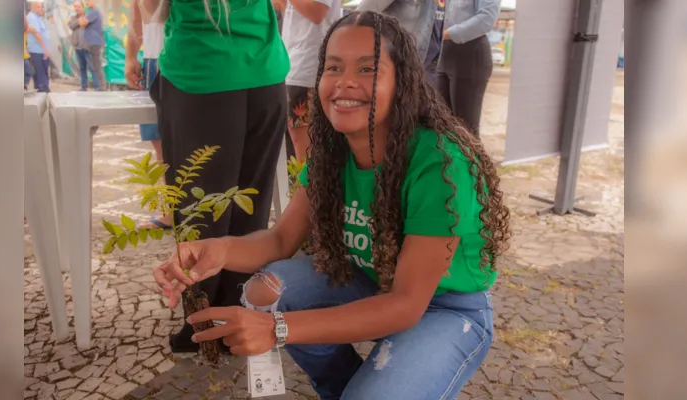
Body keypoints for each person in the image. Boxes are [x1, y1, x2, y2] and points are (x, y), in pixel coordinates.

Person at [153, 11, 511, 399]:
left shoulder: (440, 163)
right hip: (370, 283)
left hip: (445, 309)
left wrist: (277, 329)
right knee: (263, 290)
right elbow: (279, 241)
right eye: (333, 67)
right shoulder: (331, 151)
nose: (345, 83)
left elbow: (406, 305)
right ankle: (340, 388)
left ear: (404, 82)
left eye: (368, 68)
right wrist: (218, 250)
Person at [129, 0, 289, 354]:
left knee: (199, 210)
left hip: (201, 72)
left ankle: (203, 326)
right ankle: (241, 316)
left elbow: (152, 6)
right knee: (252, 207)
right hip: (266, 71)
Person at [281, 0, 342, 161]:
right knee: (300, 144)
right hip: (295, 66)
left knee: (305, 148)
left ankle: (309, 186)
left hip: (307, 69)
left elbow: (317, 12)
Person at [124, 0, 167, 228]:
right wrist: (131, 56)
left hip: (186, 54)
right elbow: (136, 18)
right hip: (153, 59)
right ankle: (171, 209)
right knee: (159, 139)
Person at [436, 0, 501, 137]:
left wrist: (447, 33)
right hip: (443, 52)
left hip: (470, 54)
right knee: (441, 123)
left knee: (465, 129)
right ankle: (447, 159)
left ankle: (471, 158)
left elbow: (487, 18)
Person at [78, 0, 106, 91]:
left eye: (88, 1)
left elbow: (82, 24)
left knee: (97, 65)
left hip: (95, 42)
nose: (86, 3)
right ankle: (101, 87)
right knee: (95, 65)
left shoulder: (94, 12)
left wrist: (81, 17)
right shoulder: (93, 12)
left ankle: (102, 87)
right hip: (93, 42)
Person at [68, 1, 97, 91]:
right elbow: (71, 25)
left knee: (93, 68)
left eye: (79, 7)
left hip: (88, 47)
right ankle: (84, 87)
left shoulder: (89, 16)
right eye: (75, 7)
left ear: (83, 7)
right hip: (78, 47)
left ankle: (97, 87)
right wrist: (79, 21)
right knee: (82, 68)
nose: (77, 8)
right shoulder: (73, 18)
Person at [26, 0, 52, 93]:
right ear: (33, 7)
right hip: (38, 51)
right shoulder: (32, 17)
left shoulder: (39, 18)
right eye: (39, 7)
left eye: (42, 7)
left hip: (42, 51)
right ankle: (43, 90)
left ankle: (43, 90)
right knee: (40, 73)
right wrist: (45, 48)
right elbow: (37, 34)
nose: (42, 9)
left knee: (43, 72)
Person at [24, 17, 34, 91]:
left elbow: (31, 29)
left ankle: (25, 85)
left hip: (24, 56)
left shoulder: (25, 33)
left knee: (29, 72)